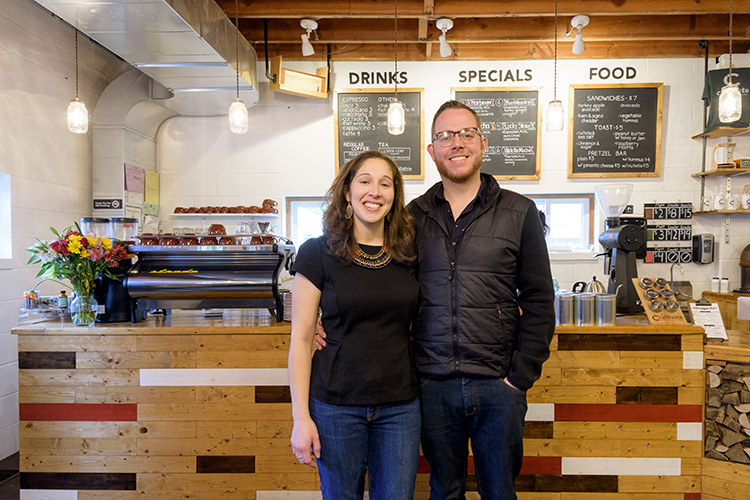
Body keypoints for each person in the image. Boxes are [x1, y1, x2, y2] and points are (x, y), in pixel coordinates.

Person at [318, 101, 555, 499]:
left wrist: (520, 377)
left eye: (465, 134)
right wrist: (326, 320)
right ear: (431, 150)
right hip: (431, 384)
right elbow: (374, 280)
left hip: (499, 384)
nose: (456, 143)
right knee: (443, 491)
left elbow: (539, 299)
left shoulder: (519, 212)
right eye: (445, 136)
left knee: (500, 492)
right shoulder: (411, 217)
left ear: (482, 143)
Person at [287, 150, 421, 500]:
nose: (374, 191)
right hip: (335, 407)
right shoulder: (316, 252)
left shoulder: (410, 254)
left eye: (385, 183)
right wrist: (301, 419)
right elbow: (301, 339)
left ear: (395, 195)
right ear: (347, 191)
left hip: (401, 407)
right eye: (364, 181)